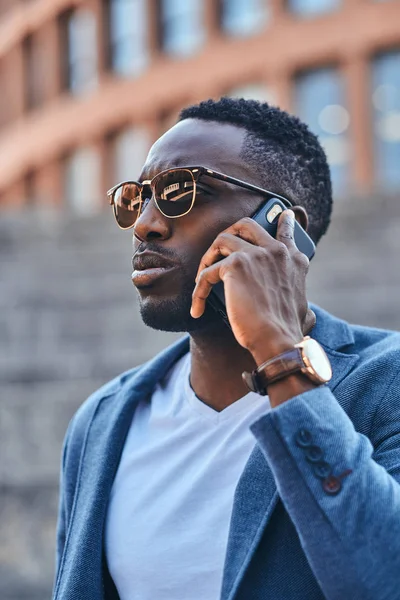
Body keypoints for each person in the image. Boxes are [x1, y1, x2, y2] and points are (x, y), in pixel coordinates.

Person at [53, 98, 400, 600]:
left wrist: (281, 353)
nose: (145, 224)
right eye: (139, 197)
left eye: (182, 192)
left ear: (282, 227)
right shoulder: (102, 421)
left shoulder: (386, 382)